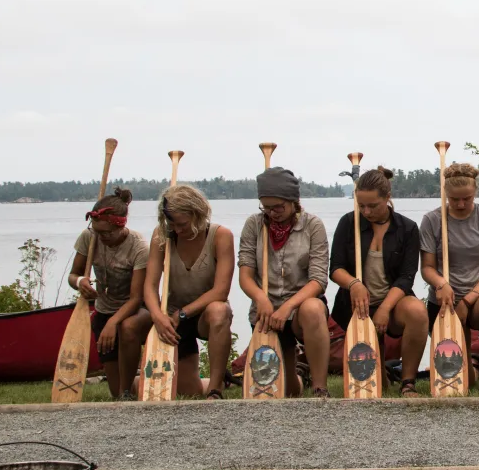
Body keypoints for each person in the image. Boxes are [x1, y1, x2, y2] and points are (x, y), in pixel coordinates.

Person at [330, 166, 428, 397]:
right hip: (355, 306)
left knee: (417, 311)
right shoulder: (348, 223)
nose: (366, 211)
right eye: (361, 205)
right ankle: (379, 373)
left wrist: (385, 308)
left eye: (372, 205)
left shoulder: (408, 228)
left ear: (388, 198)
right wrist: (354, 284)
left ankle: (408, 382)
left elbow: (406, 277)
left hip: (393, 303)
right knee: (376, 387)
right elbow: (335, 268)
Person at [420, 163, 479, 394]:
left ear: (475, 193)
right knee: (461, 383)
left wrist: (469, 299)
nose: (461, 204)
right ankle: (475, 369)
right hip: (444, 303)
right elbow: (427, 268)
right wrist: (441, 283)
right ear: (445, 194)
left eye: (467, 199)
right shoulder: (432, 220)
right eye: (454, 200)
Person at [237, 166, 331, 397]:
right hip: (266, 311)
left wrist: (288, 307)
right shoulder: (254, 225)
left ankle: (320, 387)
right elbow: (245, 275)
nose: (272, 213)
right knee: (287, 391)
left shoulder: (312, 226)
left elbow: (318, 280)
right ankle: (299, 375)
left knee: (312, 308)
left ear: (293, 201)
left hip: (300, 309)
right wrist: (261, 298)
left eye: (278, 207)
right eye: (266, 207)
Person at [142, 184, 235, 399]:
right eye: (171, 223)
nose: (177, 230)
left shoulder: (220, 236)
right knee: (189, 392)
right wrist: (158, 317)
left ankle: (216, 387)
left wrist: (183, 313)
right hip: (173, 319)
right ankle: (141, 381)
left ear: (198, 214)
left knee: (219, 311)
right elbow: (150, 285)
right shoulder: (162, 235)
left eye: (182, 224)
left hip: (203, 314)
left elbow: (220, 291)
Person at [67, 188, 150, 399]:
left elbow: (136, 298)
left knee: (126, 328)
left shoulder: (139, 247)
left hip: (135, 310)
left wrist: (113, 323)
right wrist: (80, 282)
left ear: (121, 225)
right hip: (104, 310)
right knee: (115, 392)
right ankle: (129, 390)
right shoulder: (89, 237)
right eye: (97, 231)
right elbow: (73, 274)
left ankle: (128, 389)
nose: (102, 237)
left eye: (107, 233)